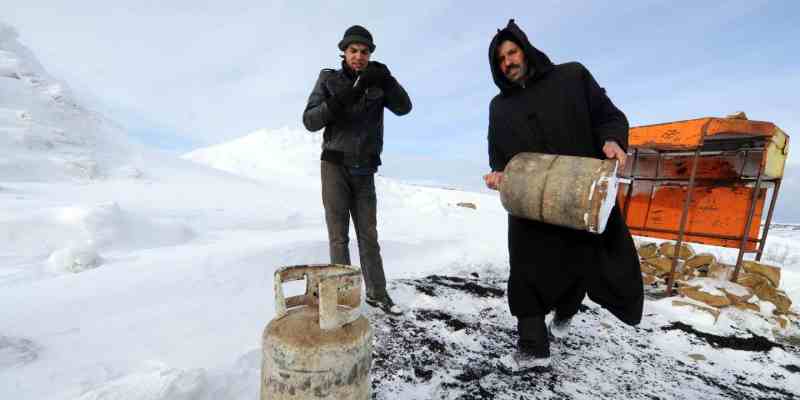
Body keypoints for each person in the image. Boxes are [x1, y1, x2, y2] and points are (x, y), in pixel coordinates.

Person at [483, 19, 644, 372]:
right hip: (531, 204)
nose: (508, 61)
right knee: (525, 270)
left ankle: (566, 312)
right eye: (500, 59)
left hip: (581, 193)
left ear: (525, 49)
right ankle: (532, 347)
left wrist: (613, 140)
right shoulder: (499, 107)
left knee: (583, 263)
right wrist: (499, 174)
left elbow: (608, 115)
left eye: (512, 52)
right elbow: (499, 154)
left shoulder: (571, 77)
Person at [303, 25, 412, 315]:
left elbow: (404, 107)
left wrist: (388, 80)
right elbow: (310, 120)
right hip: (335, 166)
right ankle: (342, 298)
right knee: (339, 236)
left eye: (364, 51)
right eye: (353, 50)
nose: (359, 56)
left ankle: (377, 293)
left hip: (365, 170)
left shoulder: (378, 82)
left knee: (368, 234)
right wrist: (342, 99)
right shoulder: (329, 79)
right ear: (344, 52)